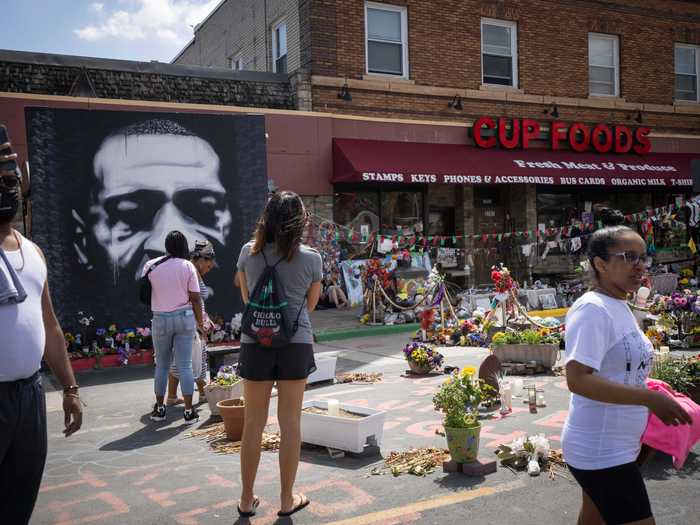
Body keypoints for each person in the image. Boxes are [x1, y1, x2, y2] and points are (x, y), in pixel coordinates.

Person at [562, 225, 692, 525]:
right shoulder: (592, 309)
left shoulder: (619, 304)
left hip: (620, 442)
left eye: (643, 258)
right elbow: (577, 379)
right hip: (601, 448)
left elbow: (619, 370)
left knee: (594, 518)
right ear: (600, 264)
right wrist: (647, 398)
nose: (640, 266)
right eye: (628, 257)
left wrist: (652, 391)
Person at [0, 136, 83, 524]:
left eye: (10, 179)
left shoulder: (32, 251)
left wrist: (69, 388)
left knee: (20, 496)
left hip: (29, 396)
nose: (6, 188)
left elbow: (49, 325)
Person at [236, 191, 321, 518]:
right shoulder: (311, 258)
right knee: (290, 422)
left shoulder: (248, 252)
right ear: (300, 222)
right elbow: (310, 306)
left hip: (255, 341)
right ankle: (286, 500)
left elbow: (247, 298)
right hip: (295, 343)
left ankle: (246, 499)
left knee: (253, 422)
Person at [144, 230, 204, 425]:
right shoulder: (188, 266)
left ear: (167, 246)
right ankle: (188, 412)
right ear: (184, 246)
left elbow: (145, 292)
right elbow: (195, 298)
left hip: (160, 319)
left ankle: (160, 409)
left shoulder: (151, 265)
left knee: (161, 365)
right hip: (185, 318)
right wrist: (200, 323)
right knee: (185, 365)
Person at [166, 240, 216, 406]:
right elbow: (194, 299)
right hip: (190, 321)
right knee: (192, 360)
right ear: (201, 260)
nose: (208, 270)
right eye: (208, 266)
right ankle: (199, 394)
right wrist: (200, 324)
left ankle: (179, 395)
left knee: (185, 359)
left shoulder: (187, 269)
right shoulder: (191, 270)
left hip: (186, 319)